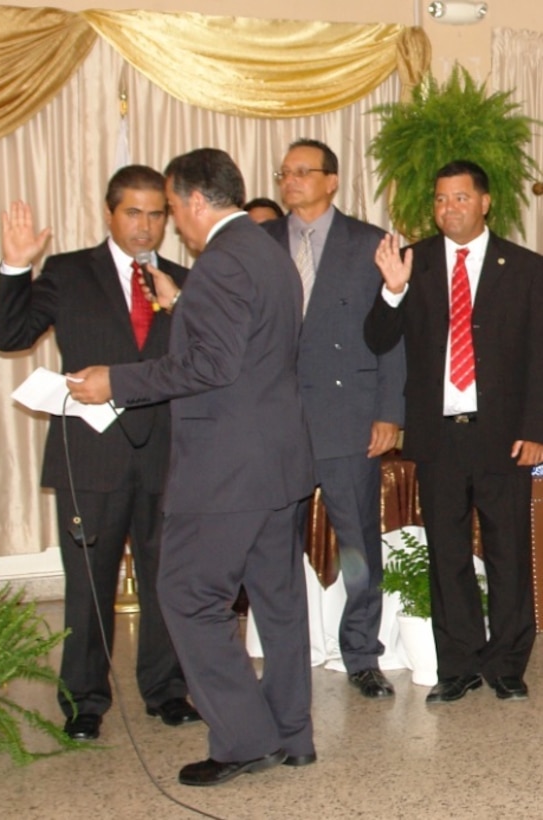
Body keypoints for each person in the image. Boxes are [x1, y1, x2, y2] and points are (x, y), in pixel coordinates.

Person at [68, 148, 316, 786]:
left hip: (226, 470)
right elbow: (249, 349)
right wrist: (186, 306)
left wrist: (113, 381)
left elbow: (210, 367)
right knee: (279, 603)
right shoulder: (268, 253)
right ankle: (292, 734)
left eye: (174, 207)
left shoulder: (222, 264)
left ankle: (243, 739)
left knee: (186, 596)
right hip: (276, 462)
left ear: (196, 201)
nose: (174, 222)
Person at [0, 165, 198, 741]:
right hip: (91, 454)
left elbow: (206, 361)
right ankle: (84, 699)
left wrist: (179, 305)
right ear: (110, 213)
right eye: (134, 212)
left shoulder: (181, 279)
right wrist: (15, 266)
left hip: (166, 454)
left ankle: (167, 689)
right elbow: (9, 336)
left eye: (157, 214)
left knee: (167, 579)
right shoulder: (67, 271)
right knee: (87, 583)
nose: (146, 226)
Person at [365, 159, 543, 704]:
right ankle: (459, 664)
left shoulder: (527, 267)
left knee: (508, 549)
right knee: (445, 552)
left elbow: (539, 354)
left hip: (504, 434)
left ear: (485, 202)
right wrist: (392, 291)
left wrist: (536, 428)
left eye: (461, 198)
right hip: (438, 435)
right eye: (441, 200)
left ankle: (508, 664)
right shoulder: (411, 263)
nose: (450, 209)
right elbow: (377, 338)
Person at [264, 138, 405, 699]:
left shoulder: (370, 244)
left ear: (332, 180)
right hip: (275, 421)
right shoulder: (260, 243)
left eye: (303, 171)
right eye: (285, 172)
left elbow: (392, 339)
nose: (291, 180)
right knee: (274, 544)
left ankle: (361, 653)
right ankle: (286, 653)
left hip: (348, 416)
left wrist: (389, 413)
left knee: (357, 544)